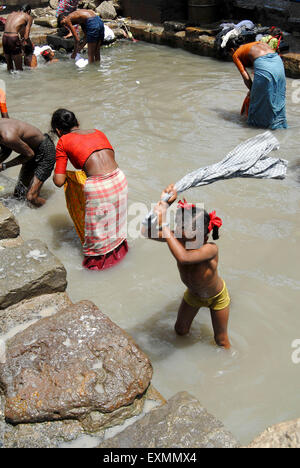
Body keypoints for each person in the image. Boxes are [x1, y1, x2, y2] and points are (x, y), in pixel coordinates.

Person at [142, 185, 231, 349]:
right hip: (194, 294)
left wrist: (165, 227)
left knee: (221, 339)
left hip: (217, 297)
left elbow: (184, 258)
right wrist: (164, 205)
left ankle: (229, 365)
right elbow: (146, 232)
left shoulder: (210, 249)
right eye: (179, 227)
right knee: (180, 330)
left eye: (186, 231)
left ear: (203, 237)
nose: (180, 233)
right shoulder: (178, 238)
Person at [51, 108, 128, 270]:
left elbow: (59, 181)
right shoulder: (98, 132)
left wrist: (60, 173)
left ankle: (98, 272)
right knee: (115, 226)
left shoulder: (63, 141)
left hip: (99, 186)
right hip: (119, 179)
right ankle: (121, 262)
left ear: (58, 131)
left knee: (97, 236)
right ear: (77, 123)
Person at [227, 40, 287, 130]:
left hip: (264, 65)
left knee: (257, 104)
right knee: (278, 98)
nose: (231, 55)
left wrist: (252, 90)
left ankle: (256, 131)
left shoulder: (236, 54)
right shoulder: (256, 44)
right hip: (278, 62)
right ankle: (280, 128)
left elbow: (246, 76)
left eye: (229, 53)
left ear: (232, 49)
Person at [0, 118, 55, 206]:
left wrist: (4, 166)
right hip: (31, 150)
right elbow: (7, 150)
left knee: (31, 198)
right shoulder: (2, 130)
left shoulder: (7, 136)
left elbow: (29, 154)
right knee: (19, 195)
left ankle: (51, 207)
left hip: (45, 152)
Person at [2, 4, 34, 71]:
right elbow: (26, 36)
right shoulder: (28, 17)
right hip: (13, 38)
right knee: (19, 69)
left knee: (9, 67)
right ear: (28, 11)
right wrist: (30, 46)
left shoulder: (11, 14)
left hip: (4, 37)